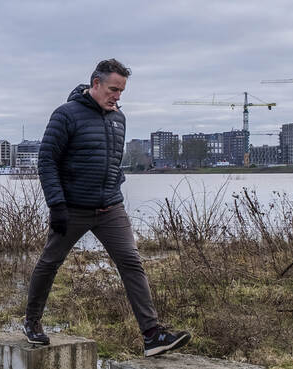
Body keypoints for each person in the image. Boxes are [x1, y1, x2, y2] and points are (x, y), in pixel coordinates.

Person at [25, 59, 190, 357]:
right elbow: (47, 161)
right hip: (73, 207)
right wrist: (57, 204)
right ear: (96, 84)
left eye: (122, 91)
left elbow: (111, 160)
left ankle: (153, 336)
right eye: (113, 89)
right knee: (50, 262)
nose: (117, 96)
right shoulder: (66, 115)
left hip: (110, 207)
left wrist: (115, 182)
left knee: (131, 262)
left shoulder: (118, 119)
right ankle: (32, 323)